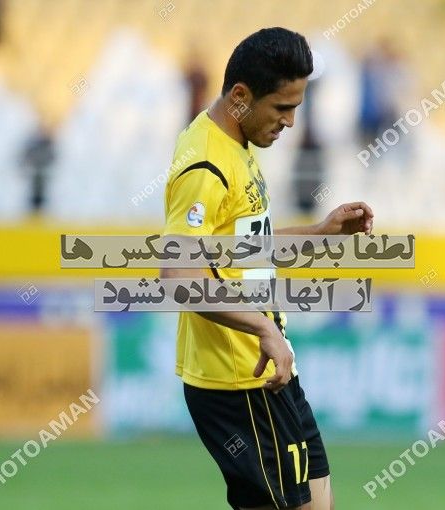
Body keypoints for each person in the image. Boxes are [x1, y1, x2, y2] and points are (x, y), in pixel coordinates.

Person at [160, 27, 373, 510]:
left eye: (296, 107)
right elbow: (178, 279)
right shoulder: (206, 165)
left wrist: (320, 233)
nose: (291, 122)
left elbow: (240, 250)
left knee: (317, 501)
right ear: (240, 96)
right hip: (239, 379)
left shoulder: (235, 143)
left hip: (269, 369)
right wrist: (262, 327)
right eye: (282, 108)